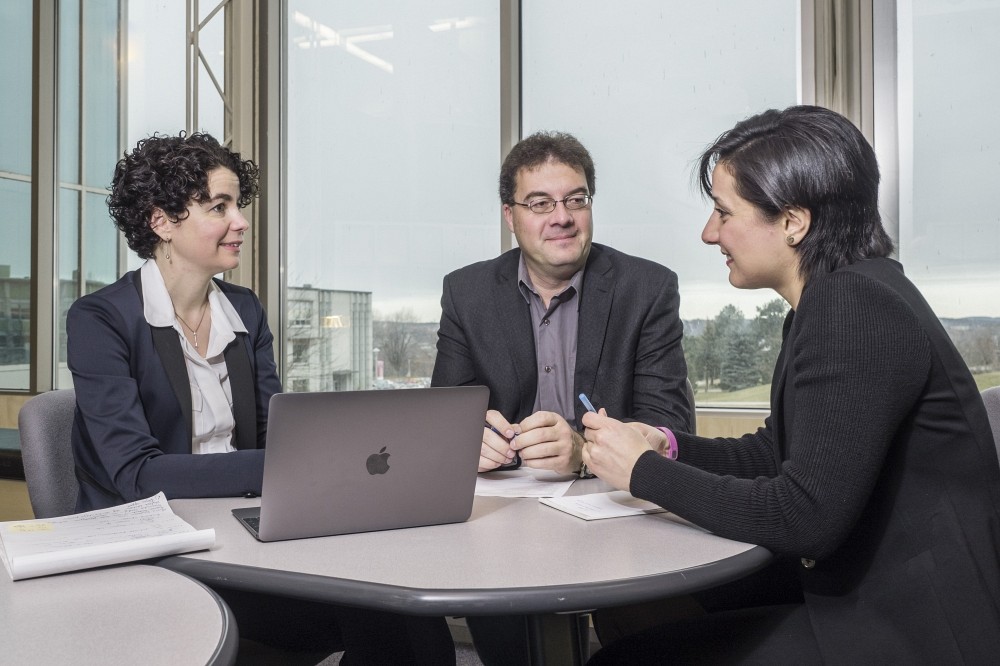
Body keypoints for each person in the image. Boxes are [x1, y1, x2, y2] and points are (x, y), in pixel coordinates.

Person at [582, 105, 1000, 664]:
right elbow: (775, 452)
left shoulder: (852, 307)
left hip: (913, 628)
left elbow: (804, 517)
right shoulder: (840, 298)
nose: (709, 233)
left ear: (793, 222)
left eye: (723, 212)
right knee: (626, 603)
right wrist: (669, 447)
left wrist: (643, 473)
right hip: (869, 591)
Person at [67, 131, 456, 665]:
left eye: (238, 205)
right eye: (217, 207)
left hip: (241, 531)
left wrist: (316, 464)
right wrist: (284, 468)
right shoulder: (101, 320)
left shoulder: (243, 311)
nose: (241, 221)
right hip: (158, 554)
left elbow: (276, 434)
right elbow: (138, 474)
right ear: (161, 222)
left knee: (403, 609)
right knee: (373, 612)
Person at [431, 130, 692, 665]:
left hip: (618, 514)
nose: (562, 216)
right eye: (540, 203)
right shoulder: (467, 292)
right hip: (500, 521)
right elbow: (445, 417)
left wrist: (581, 452)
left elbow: (670, 424)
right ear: (511, 215)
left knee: (650, 641)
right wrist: (469, 442)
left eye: (576, 199)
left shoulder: (647, 287)